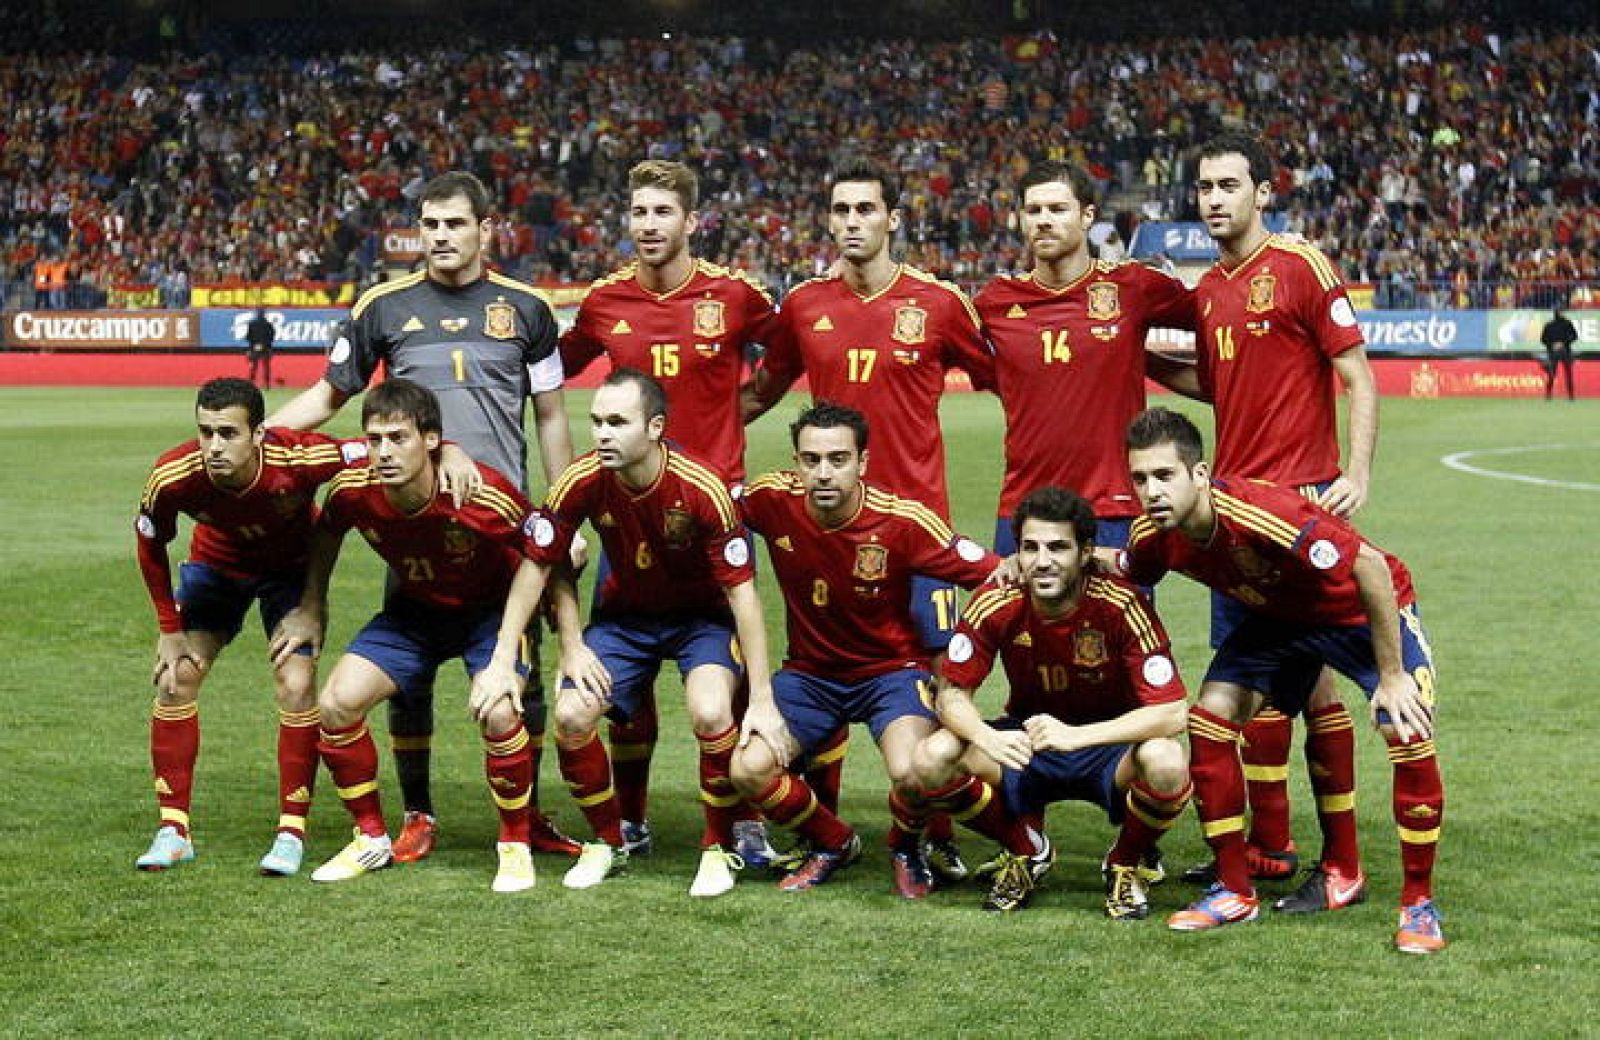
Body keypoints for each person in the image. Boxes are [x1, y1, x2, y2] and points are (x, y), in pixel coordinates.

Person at [267, 171, 579, 863]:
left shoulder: (528, 309)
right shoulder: (383, 306)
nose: (440, 236)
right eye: (429, 224)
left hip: (501, 527)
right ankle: (417, 814)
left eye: (454, 224)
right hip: (410, 524)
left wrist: (565, 515)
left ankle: (529, 819)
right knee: (408, 682)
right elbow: (325, 400)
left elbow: (553, 419)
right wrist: (256, 447)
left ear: (485, 229)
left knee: (518, 683)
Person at [742, 156, 995, 879]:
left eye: (866, 209)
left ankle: (934, 836)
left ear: (892, 218)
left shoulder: (939, 303)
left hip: (922, 539)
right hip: (829, 527)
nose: (853, 222)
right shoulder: (804, 305)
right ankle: (827, 832)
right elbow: (762, 392)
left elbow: (1001, 381)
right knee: (825, 666)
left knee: (942, 692)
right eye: (841, 210)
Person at [1121, 408, 1445, 954]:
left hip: (1355, 615)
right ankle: (1234, 891)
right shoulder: (1158, 535)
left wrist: (1390, 676)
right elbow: (1126, 567)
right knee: (1211, 719)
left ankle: (1419, 904)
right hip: (1278, 623)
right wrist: (1058, 560)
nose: (1151, 491)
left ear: (1198, 476)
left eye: (1164, 476)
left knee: (1404, 724)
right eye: (1139, 478)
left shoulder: (1259, 512)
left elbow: (1371, 568)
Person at [476, 368, 785, 898]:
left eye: (617, 422)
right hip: (626, 621)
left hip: (701, 623)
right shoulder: (581, 478)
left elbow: (744, 598)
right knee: (573, 714)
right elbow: (539, 566)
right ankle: (606, 840)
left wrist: (760, 698)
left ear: (655, 428)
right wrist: (513, 657)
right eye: (596, 421)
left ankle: (717, 847)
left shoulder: (701, 488)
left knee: (712, 710)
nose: (601, 434)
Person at [559, 159, 779, 864]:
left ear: (691, 221)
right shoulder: (603, 302)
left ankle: (746, 817)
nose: (648, 225)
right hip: (627, 521)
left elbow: (793, 352)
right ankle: (631, 817)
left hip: (713, 517)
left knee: (727, 684)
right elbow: (546, 372)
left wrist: (749, 407)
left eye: (662, 213)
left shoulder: (735, 296)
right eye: (639, 213)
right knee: (626, 683)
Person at [1185, 131, 1380, 896]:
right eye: (1204, 187)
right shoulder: (1206, 292)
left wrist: (1355, 473)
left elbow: (1357, 376)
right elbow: (1218, 387)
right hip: (1232, 516)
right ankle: (1270, 849)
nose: (1214, 199)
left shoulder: (1299, 266)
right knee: (1251, 682)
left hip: (1301, 508)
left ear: (1263, 192)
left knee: (1314, 686)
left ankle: (1342, 862)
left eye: (1229, 185)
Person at [268, 379, 552, 892]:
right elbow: (326, 531)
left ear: (432, 440)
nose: (384, 452)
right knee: (335, 703)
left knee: (501, 710)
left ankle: (514, 843)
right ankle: (371, 837)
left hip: (487, 615)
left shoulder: (481, 493)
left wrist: (510, 650)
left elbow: (547, 550)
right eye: (375, 439)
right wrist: (311, 607)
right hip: (413, 616)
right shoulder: (355, 490)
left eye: (398, 438)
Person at [729, 403, 999, 898]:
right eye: (811, 460)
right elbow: (707, 502)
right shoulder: (769, 499)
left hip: (890, 673)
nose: (824, 473)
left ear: (863, 463)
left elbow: (993, 571)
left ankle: (904, 844)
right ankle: (833, 842)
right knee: (747, 767)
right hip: (811, 674)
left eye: (838, 459)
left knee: (912, 770)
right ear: (796, 462)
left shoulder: (902, 521)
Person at [914, 486, 1190, 917]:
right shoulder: (997, 599)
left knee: (1167, 761)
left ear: (1086, 553)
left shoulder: (1120, 603)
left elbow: (1172, 712)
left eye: (1058, 547)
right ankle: (1027, 851)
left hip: (1107, 748)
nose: (1042, 561)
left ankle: (1124, 862)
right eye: (1030, 548)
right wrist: (986, 736)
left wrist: (1076, 737)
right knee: (933, 757)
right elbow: (950, 695)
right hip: (1030, 743)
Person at [133, 377, 366, 876]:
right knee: (176, 679)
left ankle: (291, 834)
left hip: (289, 575)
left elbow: (374, 451)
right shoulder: (174, 474)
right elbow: (149, 545)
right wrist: (169, 626)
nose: (214, 446)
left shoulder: (301, 457)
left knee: (297, 685)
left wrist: (449, 453)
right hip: (217, 568)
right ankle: (173, 831)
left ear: (259, 433)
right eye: (206, 432)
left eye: (229, 433)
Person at [974, 161, 1198, 557]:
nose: (1044, 220)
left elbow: (1221, 313)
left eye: (1058, 209)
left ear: (1087, 216)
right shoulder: (994, 302)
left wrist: (1146, 360)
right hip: (1024, 509)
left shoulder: (1132, 287)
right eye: (1034, 210)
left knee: (1121, 620)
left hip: (1116, 509)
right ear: (1021, 219)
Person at [1540, 307, 1578, 401]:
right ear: (1557, 313)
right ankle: (1548, 394)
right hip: (1553, 352)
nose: (1562, 313)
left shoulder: (1568, 323)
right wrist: (1552, 345)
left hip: (1565, 351)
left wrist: (1563, 343)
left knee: (1568, 374)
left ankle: (1571, 395)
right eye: (1561, 312)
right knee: (1552, 374)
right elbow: (1543, 339)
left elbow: (1574, 336)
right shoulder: (1549, 325)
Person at [246, 308, 276, 388]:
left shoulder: (252, 324)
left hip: (254, 347)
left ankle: (251, 383)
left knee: (254, 366)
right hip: (266, 348)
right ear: (264, 315)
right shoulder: (269, 325)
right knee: (266, 366)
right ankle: (267, 384)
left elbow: (248, 337)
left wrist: (252, 346)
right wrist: (266, 344)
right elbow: (272, 336)